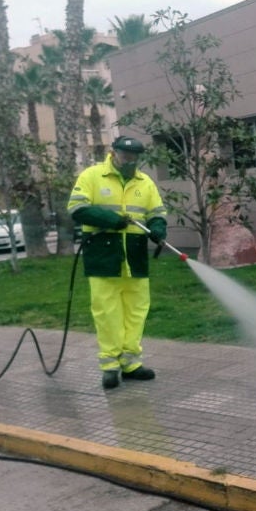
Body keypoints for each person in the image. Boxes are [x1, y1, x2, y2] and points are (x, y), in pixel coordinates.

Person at [67, 135, 168, 389]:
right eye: (125, 156)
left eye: (134, 157)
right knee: (107, 313)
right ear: (113, 153)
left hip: (135, 257)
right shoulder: (92, 176)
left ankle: (131, 362)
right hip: (103, 255)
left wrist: (158, 228)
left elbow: (157, 212)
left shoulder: (145, 182)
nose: (130, 161)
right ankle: (110, 366)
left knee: (136, 312)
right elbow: (77, 208)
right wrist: (111, 219)